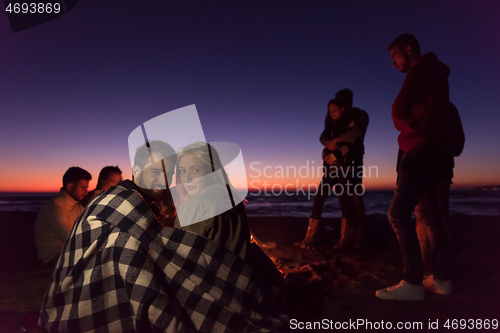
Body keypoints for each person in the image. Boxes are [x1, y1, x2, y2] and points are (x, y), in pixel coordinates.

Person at [40, 140, 287, 332]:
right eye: (153, 170)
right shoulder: (118, 202)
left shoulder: (189, 205)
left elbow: (172, 252)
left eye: (169, 170)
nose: (165, 177)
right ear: (136, 171)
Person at [376, 34, 453, 301]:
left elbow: (398, 113)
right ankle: (442, 279)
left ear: (408, 50)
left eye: (395, 56)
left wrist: (406, 119)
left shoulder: (421, 70)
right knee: (433, 215)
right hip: (434, 151)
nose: (394, 63)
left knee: (398, 214)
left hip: (419, 149)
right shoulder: (437, 76)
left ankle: (412, 282)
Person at [295, 98, 360, 249]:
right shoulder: (331, 128)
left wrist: (335, 155)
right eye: (330, 111)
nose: (331, 113)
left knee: (344, 200)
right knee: (319, 199)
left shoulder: (349, 124)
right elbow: (325, 144)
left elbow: (350, 145)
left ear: (342, 109)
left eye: (334, 110)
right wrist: (325, 156)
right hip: (330, 170)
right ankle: (309, 238)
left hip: (344, 169)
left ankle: (344, 239)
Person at [34, 167, 91, 265]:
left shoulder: (77, 206)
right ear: (70, 186)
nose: (86, 192)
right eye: (83, 188)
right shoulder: (55, 208)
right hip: (55, 258)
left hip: (71, 253)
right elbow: (72, 238)